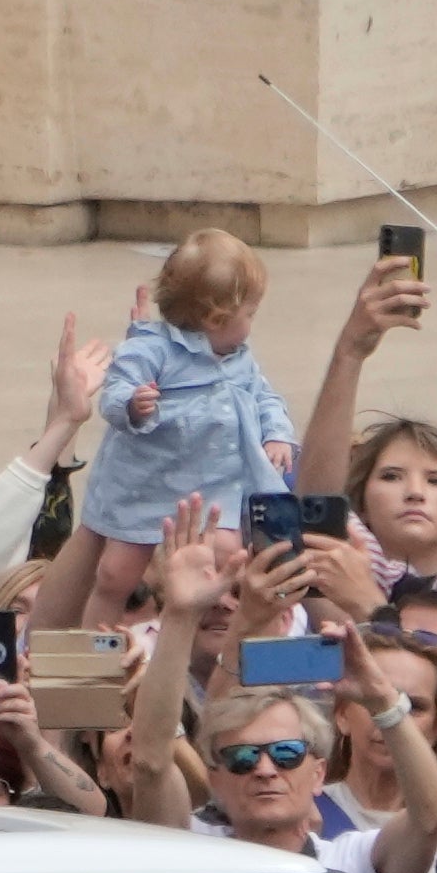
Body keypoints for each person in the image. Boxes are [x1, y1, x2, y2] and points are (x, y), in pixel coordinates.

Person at [41, 229, 297, 626]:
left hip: (212, 487)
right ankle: (95, 653)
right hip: (146, 485)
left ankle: (229, 636)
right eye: (250, 314)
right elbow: (115, 393)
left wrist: (277, 433)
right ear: (216, 318)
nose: (252, 325)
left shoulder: (240, 358)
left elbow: (265, 397)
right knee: (114, 573)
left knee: (230, 557)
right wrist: (134, 404)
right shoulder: (150, 348)